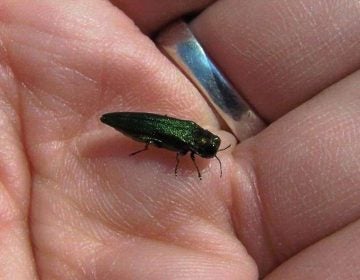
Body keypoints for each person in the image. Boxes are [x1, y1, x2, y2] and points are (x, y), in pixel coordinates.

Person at [0, 1, 359, 279]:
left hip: (148, 126)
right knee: (151, 140)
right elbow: (177, 151)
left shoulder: (192, 134)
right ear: (200, 144)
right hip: (143, 128)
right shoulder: (189, 142)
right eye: (206, 153)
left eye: (207, 153)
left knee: (153, 138)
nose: (205, 156)